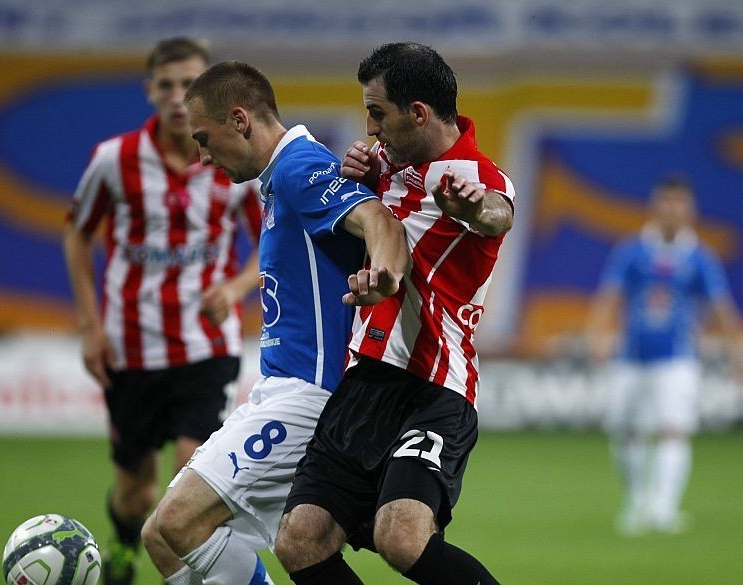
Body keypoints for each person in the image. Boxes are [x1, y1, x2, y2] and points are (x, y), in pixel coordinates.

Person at [139, 60, 409, 585]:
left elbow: (377, 218)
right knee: (162, 537)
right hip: (278, 390)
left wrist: (382, 275)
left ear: (240, 119)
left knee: (177, 522)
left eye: (205, 139)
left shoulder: (297, 167)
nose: (202, 157)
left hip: (308, 395)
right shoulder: (277, 180)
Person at [274, 42, 516, 585]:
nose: (370, 127)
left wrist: (472, 207)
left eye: (378, 112)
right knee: (299, 539)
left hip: (434, 388)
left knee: (401, 536)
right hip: (366, 380)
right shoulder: (385, 163)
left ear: (420, 114)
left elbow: (498, 214)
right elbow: (365, 216)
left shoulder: (479, 178)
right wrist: (353, 176)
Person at [63, 38, 263, 585]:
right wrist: (89, 328)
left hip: (206, 345)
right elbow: (77, 237)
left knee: (189, 477)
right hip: (131, 345)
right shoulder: (114, 160)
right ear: (150, 90)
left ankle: (196, 576)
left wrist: (239, 285)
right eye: (168, 84)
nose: (179, 96)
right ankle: (124, 546)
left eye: (190, 84)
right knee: (136, 491)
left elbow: (273, 238)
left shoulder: (233, 158)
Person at [586, 174, 743, 535]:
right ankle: (638, 501)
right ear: (654, 206)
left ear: (690, 210)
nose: (672, 209)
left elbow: (721, 307)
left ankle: (664, 509)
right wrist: (596, 336)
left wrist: (736, 352)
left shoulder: (700, 258)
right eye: (666, 201)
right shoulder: (632, 251)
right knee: (626, 432)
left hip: (678, 360)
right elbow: (609, 296)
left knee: (673, 430)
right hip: (630, 357)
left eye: (679, 203)